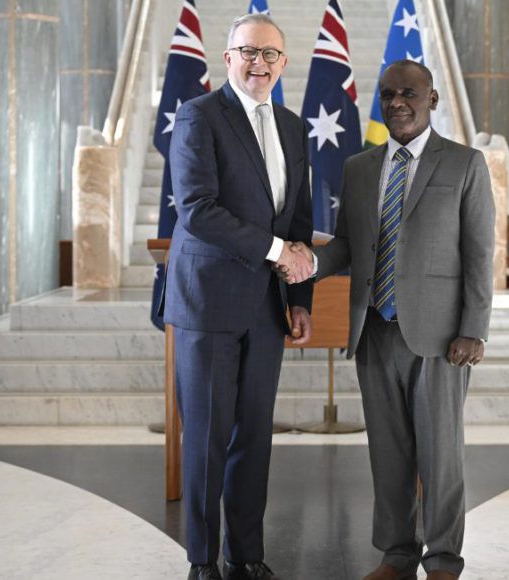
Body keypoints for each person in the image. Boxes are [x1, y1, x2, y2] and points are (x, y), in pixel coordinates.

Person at [283, 60, 494, 580]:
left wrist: (474, 329)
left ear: (432, 99)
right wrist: (309, 261)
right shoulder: (359, 168)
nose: (397, 103)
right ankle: (397, 555)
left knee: (441, 455)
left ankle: (443, 560)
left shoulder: (465, 164)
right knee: (388, 452)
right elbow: (348, 245)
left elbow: (479, 253)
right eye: (387, 94)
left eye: (408, 93)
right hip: (374, 328)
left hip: (441, 337)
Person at [163, 13, 313, 580]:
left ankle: (246, 556)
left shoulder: (293, 127)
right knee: (206, 439)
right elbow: (197, 209)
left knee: (254, 437)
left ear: (283, 64)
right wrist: (278, 252)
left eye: (270, 54)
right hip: (208, 304)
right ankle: (202, 561)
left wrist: (300, 299)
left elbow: (298, 218)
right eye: (248, 52)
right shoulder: (199, 116)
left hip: (267, 308)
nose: (259, 63)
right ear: (228, 58)